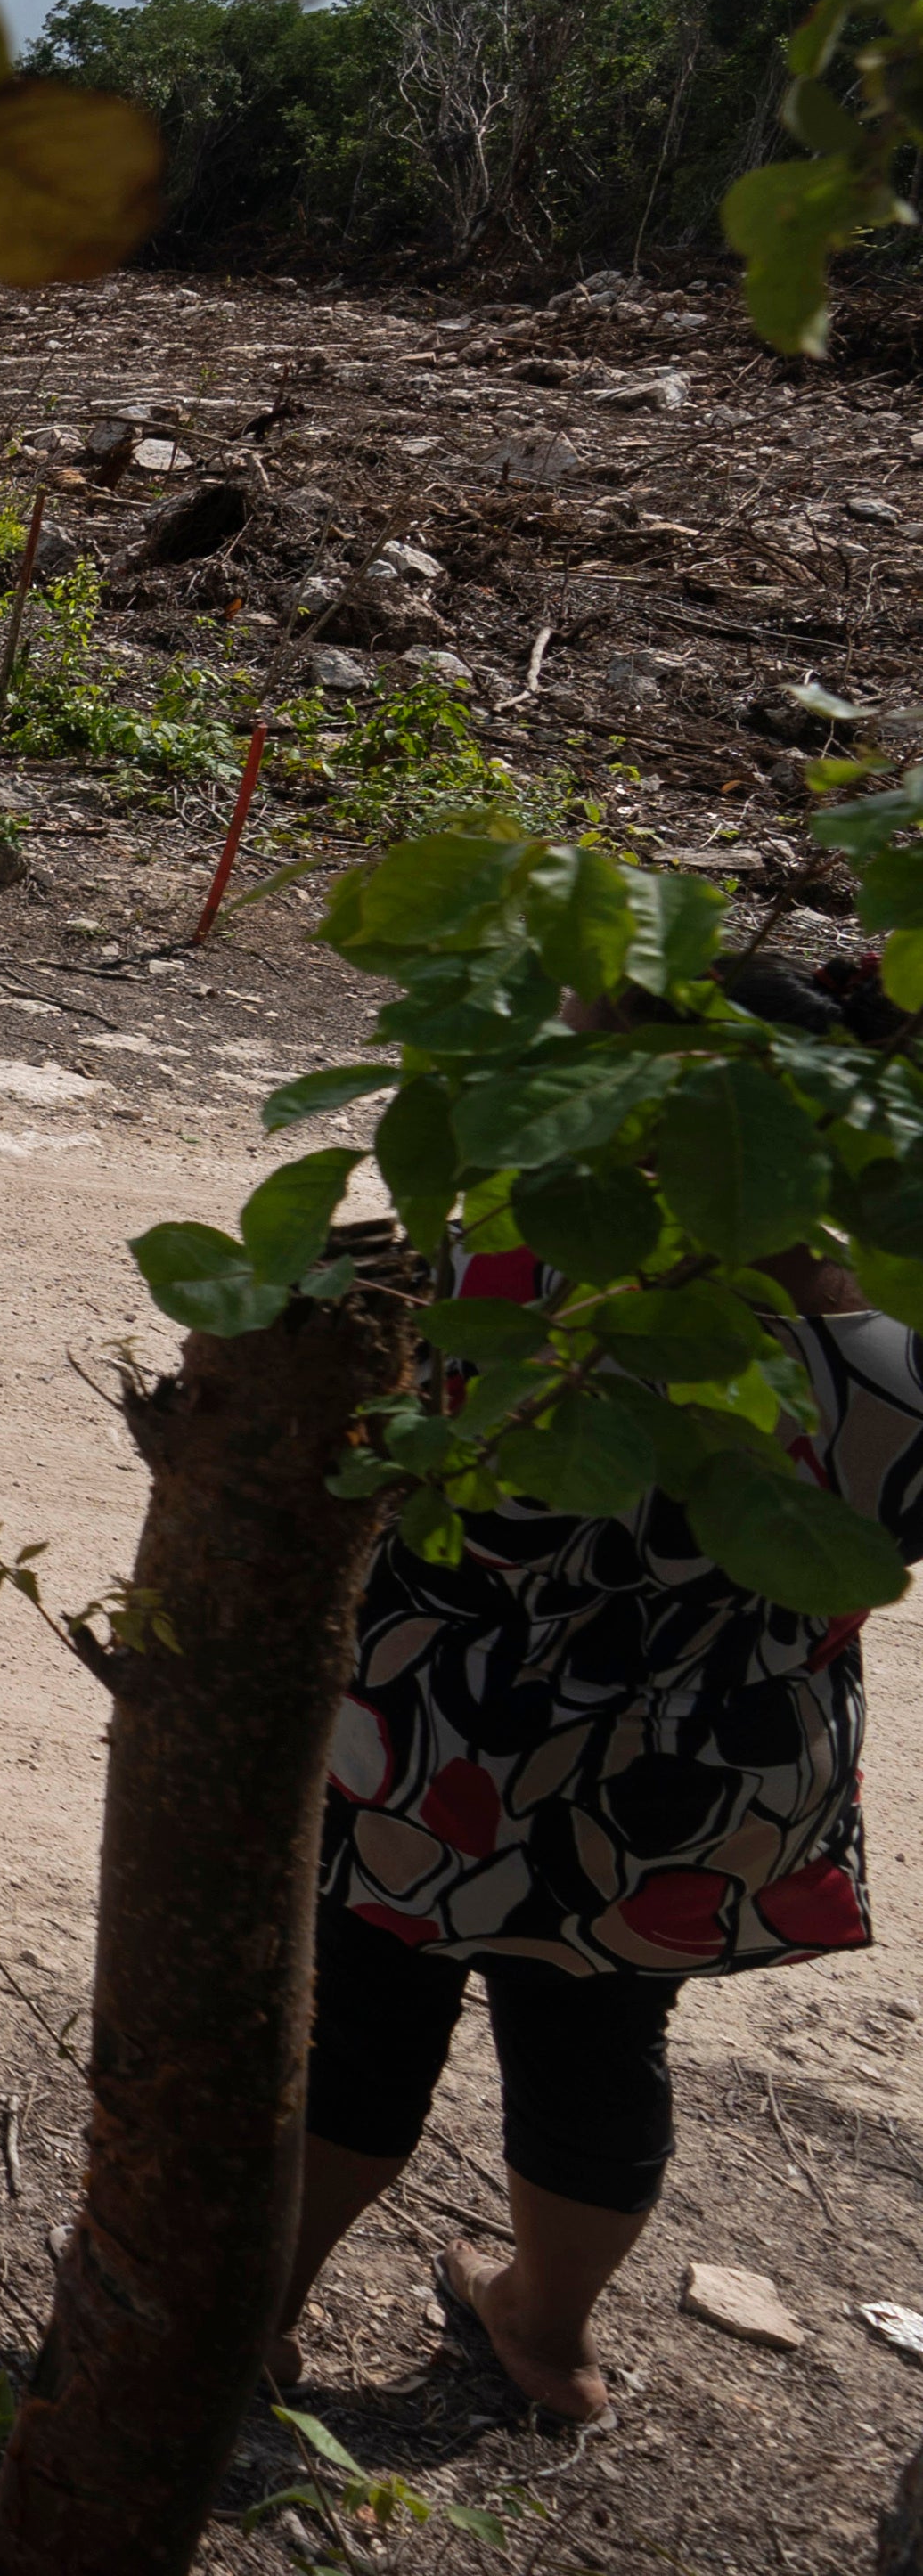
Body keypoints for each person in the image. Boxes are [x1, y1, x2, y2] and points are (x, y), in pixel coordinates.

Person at [276, 950, 923, 2425]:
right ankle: (546, 2331)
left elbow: (319, 1470)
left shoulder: (487, 1285)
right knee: (600, 2046)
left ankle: (249, 2314)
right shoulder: (894, 1354)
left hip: (443, 1748)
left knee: (361, 2025)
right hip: (701, 1785)